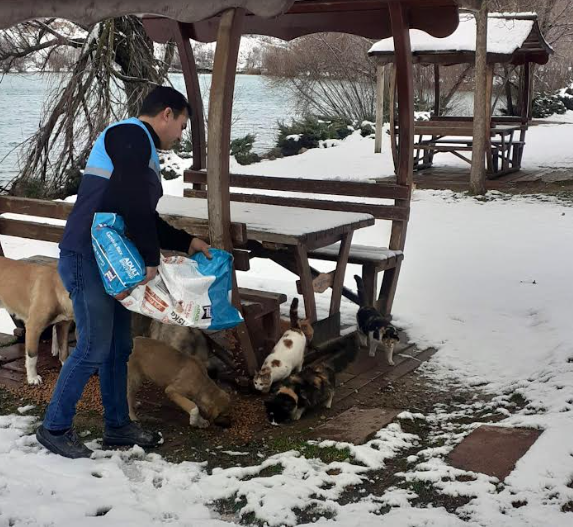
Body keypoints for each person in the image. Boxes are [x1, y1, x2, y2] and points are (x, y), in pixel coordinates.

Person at [36, 86, 211, 459]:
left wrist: (186, 241)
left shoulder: (140, 148)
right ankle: (54, 427)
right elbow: (133, 202)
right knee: (93, 346)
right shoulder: (130, 134)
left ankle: (117, 426)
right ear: (167, 114)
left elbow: (141, 213)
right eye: (181, 126)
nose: (180, 135)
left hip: (111, 263)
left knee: (119, 347)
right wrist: (149, 257)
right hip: (87, 257)